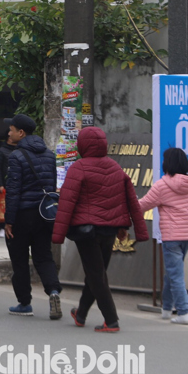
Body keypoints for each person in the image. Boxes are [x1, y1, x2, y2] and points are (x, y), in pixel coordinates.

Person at [52, 127, 148, 332]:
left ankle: (111, 320)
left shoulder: (79, 167)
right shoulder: (115, 167)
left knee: (96, 275)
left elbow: (67, 202)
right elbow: (127, 199)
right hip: (110, 230)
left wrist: (57, 235)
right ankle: (81, 314)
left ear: (82, 145)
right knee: (97, 273)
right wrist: (124, 226)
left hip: (86, 231)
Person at [138, 147, 188, 325]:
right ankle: (167, 309)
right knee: (172, 272)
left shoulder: (163, 185)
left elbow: (143, 206)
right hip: (187, 236)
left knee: (175, 275)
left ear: (167, 164)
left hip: (171, 238)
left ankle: (184, 312)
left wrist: (127, 204)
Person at [3, 113, 63, 320]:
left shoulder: (16, 156)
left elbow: (13, 191)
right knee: (44, 255)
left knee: (19, 259)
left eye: (11, 130)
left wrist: (9, 221)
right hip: (44, 214)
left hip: (22, 215)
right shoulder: (50, 155)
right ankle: (53, 291)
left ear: (21, 133)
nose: (9, 133)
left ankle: (25, 303)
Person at [0, 131, 17, 237]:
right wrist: (0, 184)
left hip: (15, 182)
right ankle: (2, 226)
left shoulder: (19, 150)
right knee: (2, 205)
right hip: (4, 183)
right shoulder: (1, 151)